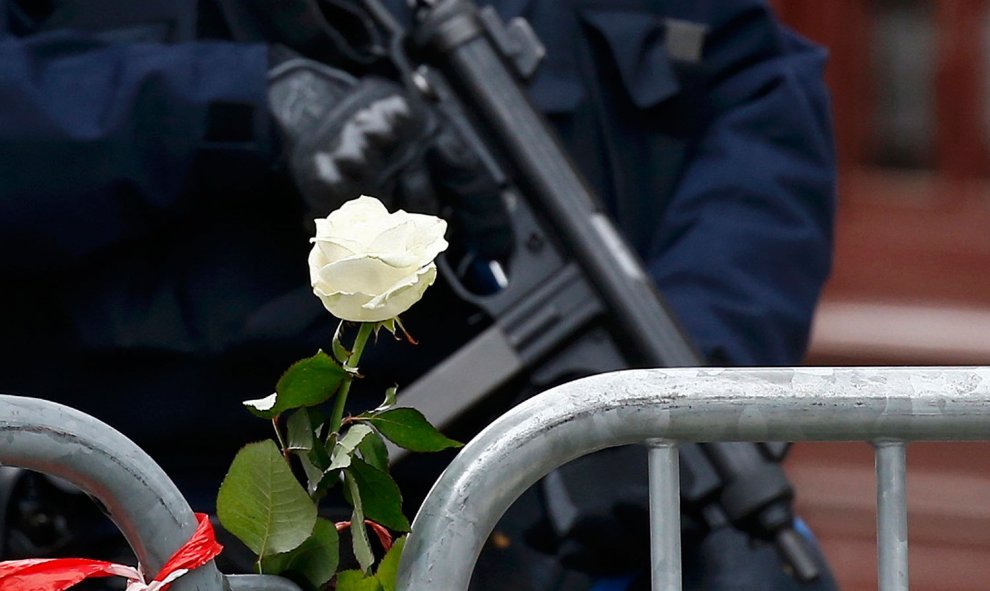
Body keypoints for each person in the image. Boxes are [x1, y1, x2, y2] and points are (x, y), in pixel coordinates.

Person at [0, 0, 837, 590]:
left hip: (582, 514)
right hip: (160, 539)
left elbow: (756, 101)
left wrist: (674, 398)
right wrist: (245, 105)